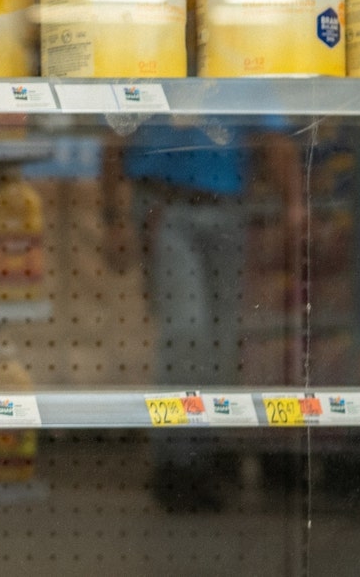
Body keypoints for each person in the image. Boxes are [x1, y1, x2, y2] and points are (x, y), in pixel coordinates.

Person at [102, 118, 304, 510]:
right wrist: (113, 220)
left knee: (221, 341)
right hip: (166, 206)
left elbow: (271, 135)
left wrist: (293, 206)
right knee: (185, 331)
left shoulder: (237, 65)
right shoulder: (151, 62)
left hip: (228, 210)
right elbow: (113, 140)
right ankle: (173, 461)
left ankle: (203, 454)